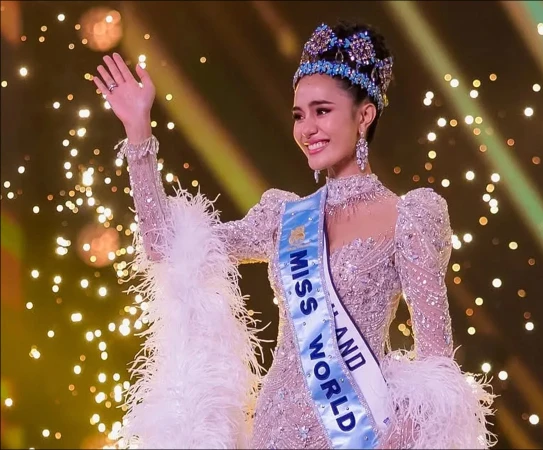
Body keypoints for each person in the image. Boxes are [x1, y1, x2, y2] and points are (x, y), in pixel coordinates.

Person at [93, 21, 496, 449]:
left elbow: (436, 371)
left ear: (364, 115)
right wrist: (138, 132)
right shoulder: (285, 218)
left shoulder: (408, 219)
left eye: (322, 111)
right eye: (299, 115)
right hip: (273, 430)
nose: (307, 129)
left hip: (355, 434)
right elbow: (166, 247)